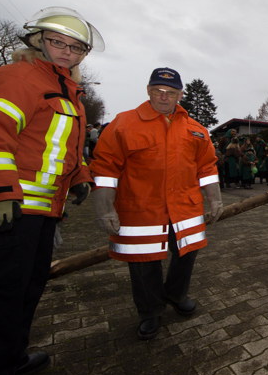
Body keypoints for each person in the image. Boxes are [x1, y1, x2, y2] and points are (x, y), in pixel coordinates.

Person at [0, 7, 101, 375]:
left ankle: (9, 360)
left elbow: (64, 147)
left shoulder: (69, 92)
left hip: (43, 212)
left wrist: (79, 176)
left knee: (26, 291)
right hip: (9, 211)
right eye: (57, 42)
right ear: (37, 40)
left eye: (75, 47)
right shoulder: (15, 78)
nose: (66, 52)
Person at [90, 68, 222, 341]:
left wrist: (215, 198)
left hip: (185, 209)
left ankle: (176, 294)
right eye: (158, 91)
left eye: (170, 92)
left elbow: (207, 166)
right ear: (148, 91)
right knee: (143, 263)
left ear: (180, 95)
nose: (164, 97)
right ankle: (150, 311)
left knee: (187, 254)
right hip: (140, 210)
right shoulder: (124, 123)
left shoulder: (196, 129)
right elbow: (105, 166)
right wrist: (105, 207)